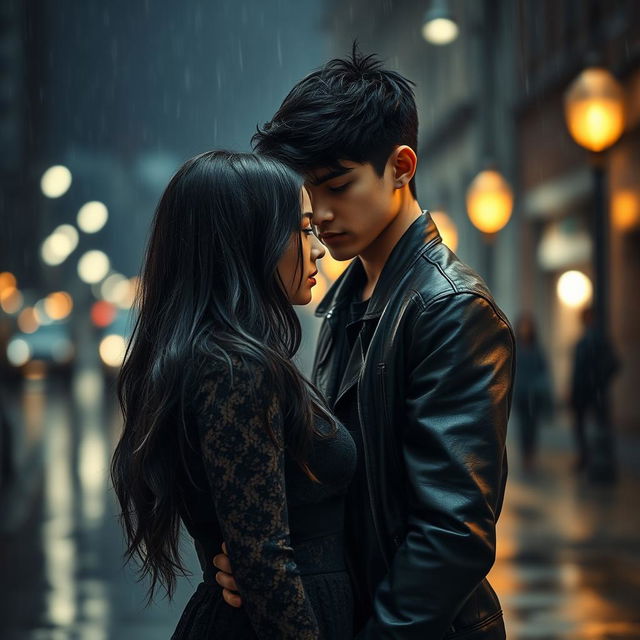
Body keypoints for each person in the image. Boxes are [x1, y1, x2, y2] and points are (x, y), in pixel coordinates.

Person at [214, 48, 515, 638]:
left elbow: (451, 533)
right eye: (307, 190)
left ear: (401, 167)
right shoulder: (349, 299)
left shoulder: (449, 310)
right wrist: (265, 561)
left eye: (338, 184)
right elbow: (346, 487)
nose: (320, 213)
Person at [110, 150, 357, 639]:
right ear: (250, 241)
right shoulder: (233, 368)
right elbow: (263, 562)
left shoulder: (229, 360)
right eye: (303, 229)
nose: (318, 248)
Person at [569, 306, 619, 474]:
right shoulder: (582, 342)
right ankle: (585, 456)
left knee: (601, 425)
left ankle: (601, 460)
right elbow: (577, 369)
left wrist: (599, 379)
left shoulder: (600, 341)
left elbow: (613, 363)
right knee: (580, 425)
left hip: (595, 390)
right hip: (582, 390)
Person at [513, 313, 552, 472]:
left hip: (534, 395)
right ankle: (525, 455)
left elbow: (543, 371)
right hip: (521, 394)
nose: (525, 330)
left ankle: (531, 454)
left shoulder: (537, 350)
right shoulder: (516, 348)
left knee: (533, 425)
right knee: (523, 426)